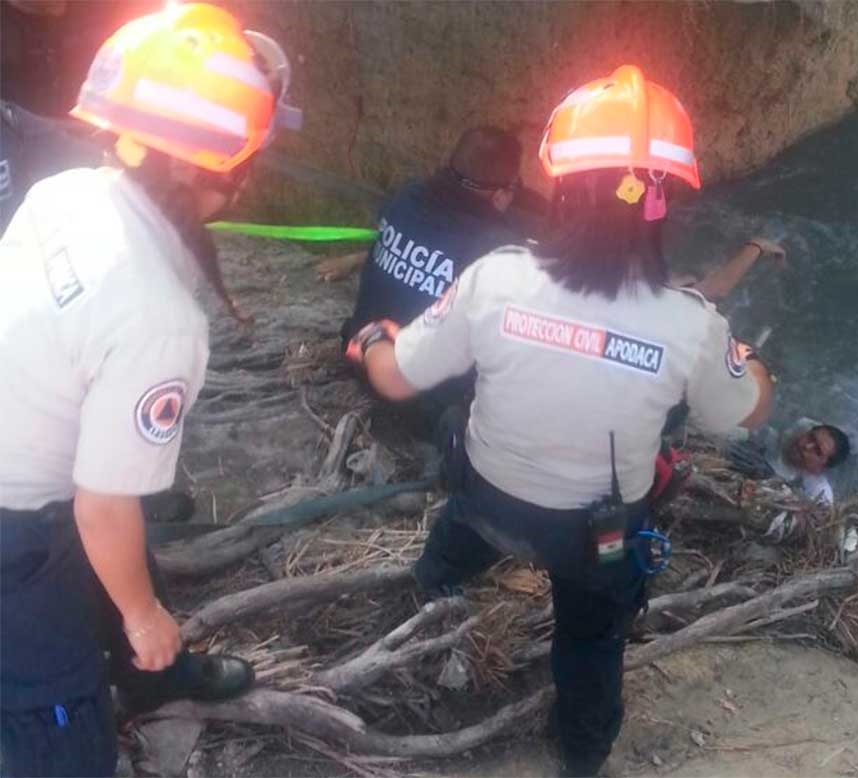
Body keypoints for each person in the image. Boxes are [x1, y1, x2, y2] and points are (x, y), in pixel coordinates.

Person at [345, 64, 774, 777]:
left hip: (490, 497)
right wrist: (749, 357)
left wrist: (372, 338)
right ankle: (582, 754)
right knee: (593, 639)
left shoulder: (497, 277)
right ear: (661, 204)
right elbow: (750, 410)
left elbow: (393, 377)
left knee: (459, 444)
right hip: (596, 536)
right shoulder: (690, 324)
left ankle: (437, 577)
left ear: (562, 187)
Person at [0, 4, 302, 775]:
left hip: (32, 475)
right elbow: (102, 506)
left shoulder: (65, 192)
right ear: (228, 171)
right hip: (18, 530)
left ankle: (144, 674)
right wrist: (143, 617)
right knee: (58, 732)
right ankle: (129, 665)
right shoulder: (159, 318)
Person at [340, 126, 526, 426]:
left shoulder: (405, 196)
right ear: (503, 193)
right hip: (422, 401)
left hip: (361, 354)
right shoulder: (496, 248)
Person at [727, 419, 850, 504]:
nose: (807, 446)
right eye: (810, 437)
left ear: (820, 468)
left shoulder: (818, 494)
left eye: (817, 450)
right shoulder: (769, 438)